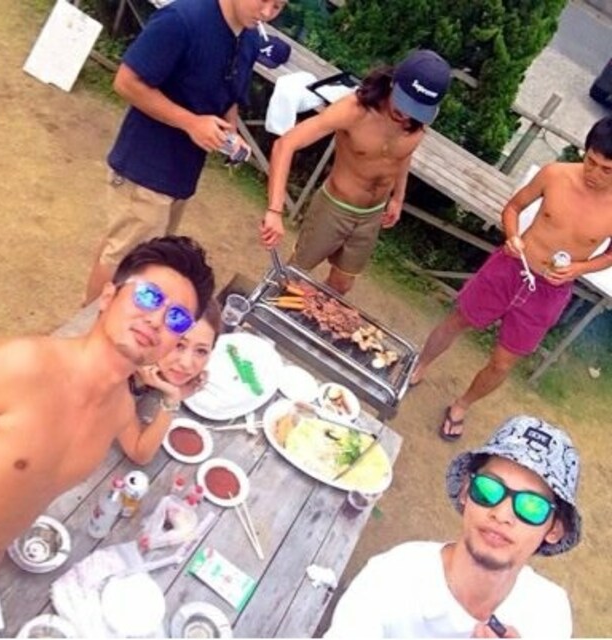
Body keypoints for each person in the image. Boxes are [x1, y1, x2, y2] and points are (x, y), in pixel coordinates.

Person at [0, 235, 214, 584]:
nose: (157, 319)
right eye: (148, 296)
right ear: (108, 296)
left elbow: (141, 452)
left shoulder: (119, 410)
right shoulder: (20, 366)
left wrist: (172, 396)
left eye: (177, 318)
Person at [410, 116, 612, 440]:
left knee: (503, 363)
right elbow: (514, 208)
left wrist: (578, 268)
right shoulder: (555, 174)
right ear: (584, 151)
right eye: (591, 161)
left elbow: (610, 255)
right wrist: (513, 235)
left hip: (550, 291)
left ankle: (462, 405)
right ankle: (419, 365)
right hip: (511, 266)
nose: (595, 173)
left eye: (607, 170)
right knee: (457, 320)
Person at [84, 0, 287, 304]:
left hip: (182, 173)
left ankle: (92, 318)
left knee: (136, 248)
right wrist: (191, 123)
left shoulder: (248, 38)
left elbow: (230, 96)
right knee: (126, 259)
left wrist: (230, 133)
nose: (267, 13)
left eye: (278, 6)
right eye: (264, 1)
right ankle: (93, 323)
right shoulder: (181, 20)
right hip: (144, 163)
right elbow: (126, 82)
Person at [325, 415, 581, 638]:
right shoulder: (391, 578)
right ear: (466, 492)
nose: (502, 514)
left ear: (554, 530)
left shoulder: (549, 614)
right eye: (489, 489)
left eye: (531, 506)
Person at [259, 50, 452, 295]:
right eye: (405, 103)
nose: (406, 115)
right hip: (335, 207)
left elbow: (403, 155)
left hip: (372, 214)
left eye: (416, 109)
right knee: (294, 276)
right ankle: (260, 311)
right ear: (394, 82)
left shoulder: (417, 123)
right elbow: (285, 145)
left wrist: (398, 197)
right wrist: (274, 210)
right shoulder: (354, 110)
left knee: (341, 286)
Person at [119, 299, 222, 464]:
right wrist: (172, 398)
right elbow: (140, 454)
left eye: (201, 351)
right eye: (179, 345)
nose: (186, 363)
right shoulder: (118, 378)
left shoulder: (152, 367)